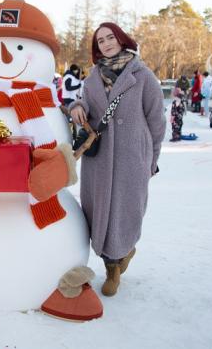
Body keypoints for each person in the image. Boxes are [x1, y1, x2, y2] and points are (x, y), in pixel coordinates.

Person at [70, 22, 165, 297]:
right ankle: (111, 260)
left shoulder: (143, 76)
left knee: (125, 210)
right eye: (101, 41)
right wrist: (77, 107)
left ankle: (116, 264)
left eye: (111, 37)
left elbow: (157, 122)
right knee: (98, 211)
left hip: (132, 157)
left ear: (121, 40)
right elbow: (84, 103)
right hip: (99, 159)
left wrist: (151, 158)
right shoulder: (91, 79)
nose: (107, 43)